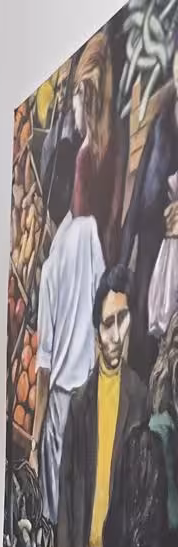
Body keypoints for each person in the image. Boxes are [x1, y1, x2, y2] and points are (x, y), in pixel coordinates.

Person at [56, 264, 149, 547]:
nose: (115, 334)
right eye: (107, 323)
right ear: (97, 329)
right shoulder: (80, 405)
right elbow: (65, 493)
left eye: (122, 320)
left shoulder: (140, 398)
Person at [28, 137, 103, 526]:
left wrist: (34, 443)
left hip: (59, 402)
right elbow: (101, 303)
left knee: (55, 517)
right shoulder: (90, 231)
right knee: (86, 506)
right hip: (90, 395)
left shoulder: (50, 266)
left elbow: (42, 372)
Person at [119, 47, 178, 382]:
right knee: (141, 374)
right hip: (147, 275)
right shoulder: (159, 124)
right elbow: (138, 202)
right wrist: (119, 276)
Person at [70, 31, 123, 265]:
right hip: (106, 263)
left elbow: (79, 228)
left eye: (77, 95)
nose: (73, 111)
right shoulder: (114, 141)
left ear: (86, 93)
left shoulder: (85, 158)